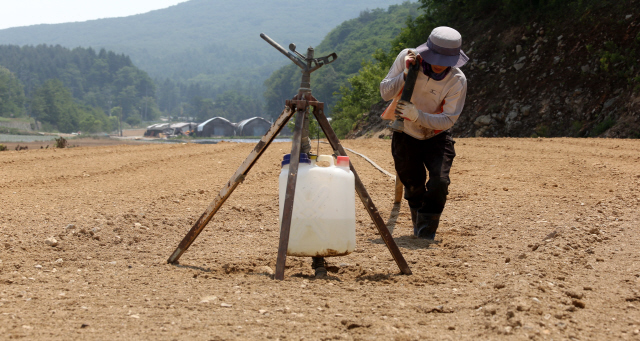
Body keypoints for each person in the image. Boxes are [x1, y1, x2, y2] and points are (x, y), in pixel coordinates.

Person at [379, 26, 468, 240]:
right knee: (413, 183)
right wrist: (405, 75)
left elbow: (449, 119)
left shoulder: (457, 81)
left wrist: (417, 115)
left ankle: (426, 230)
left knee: (439, 182)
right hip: (405, 133)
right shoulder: (407, 58)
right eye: (436, 58)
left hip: (436, 135)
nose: (439, 65)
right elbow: (385, 92)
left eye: (446, 61)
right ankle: (417, 220)